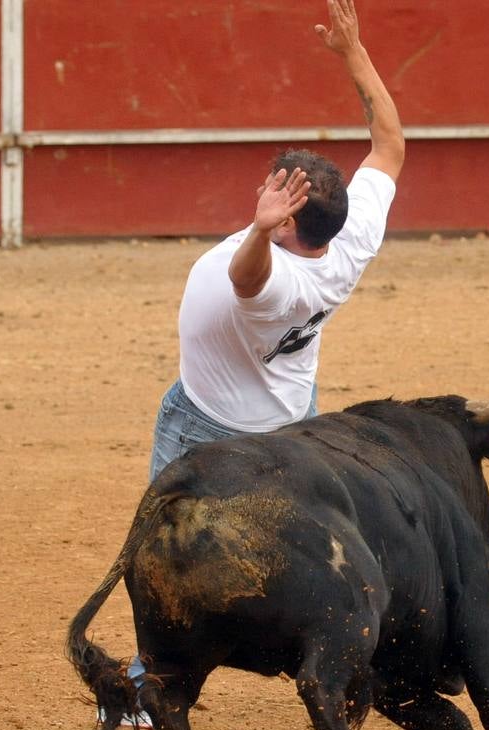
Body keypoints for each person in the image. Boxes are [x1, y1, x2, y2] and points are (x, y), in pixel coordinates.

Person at [149, 0, 406, 482]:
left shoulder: (279, 279)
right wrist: (354, 52)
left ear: (288, 223)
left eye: (273, 187)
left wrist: (261, 228)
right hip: (292, 420)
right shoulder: (349, 239)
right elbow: (389, 145)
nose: (260, 189)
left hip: (206, 427)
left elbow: (245, 279)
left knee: (166, 547)